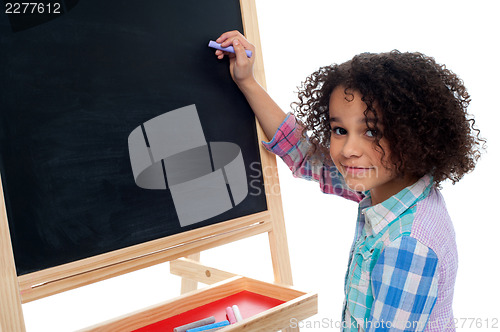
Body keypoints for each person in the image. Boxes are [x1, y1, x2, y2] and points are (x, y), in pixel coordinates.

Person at [213, 31, 484, 331]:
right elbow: (306, 155)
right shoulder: (392, 188)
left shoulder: (407, 244)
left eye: (371, 132)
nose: (349, 150)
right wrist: (247, 82)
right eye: (339, 130)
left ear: (413, 136)